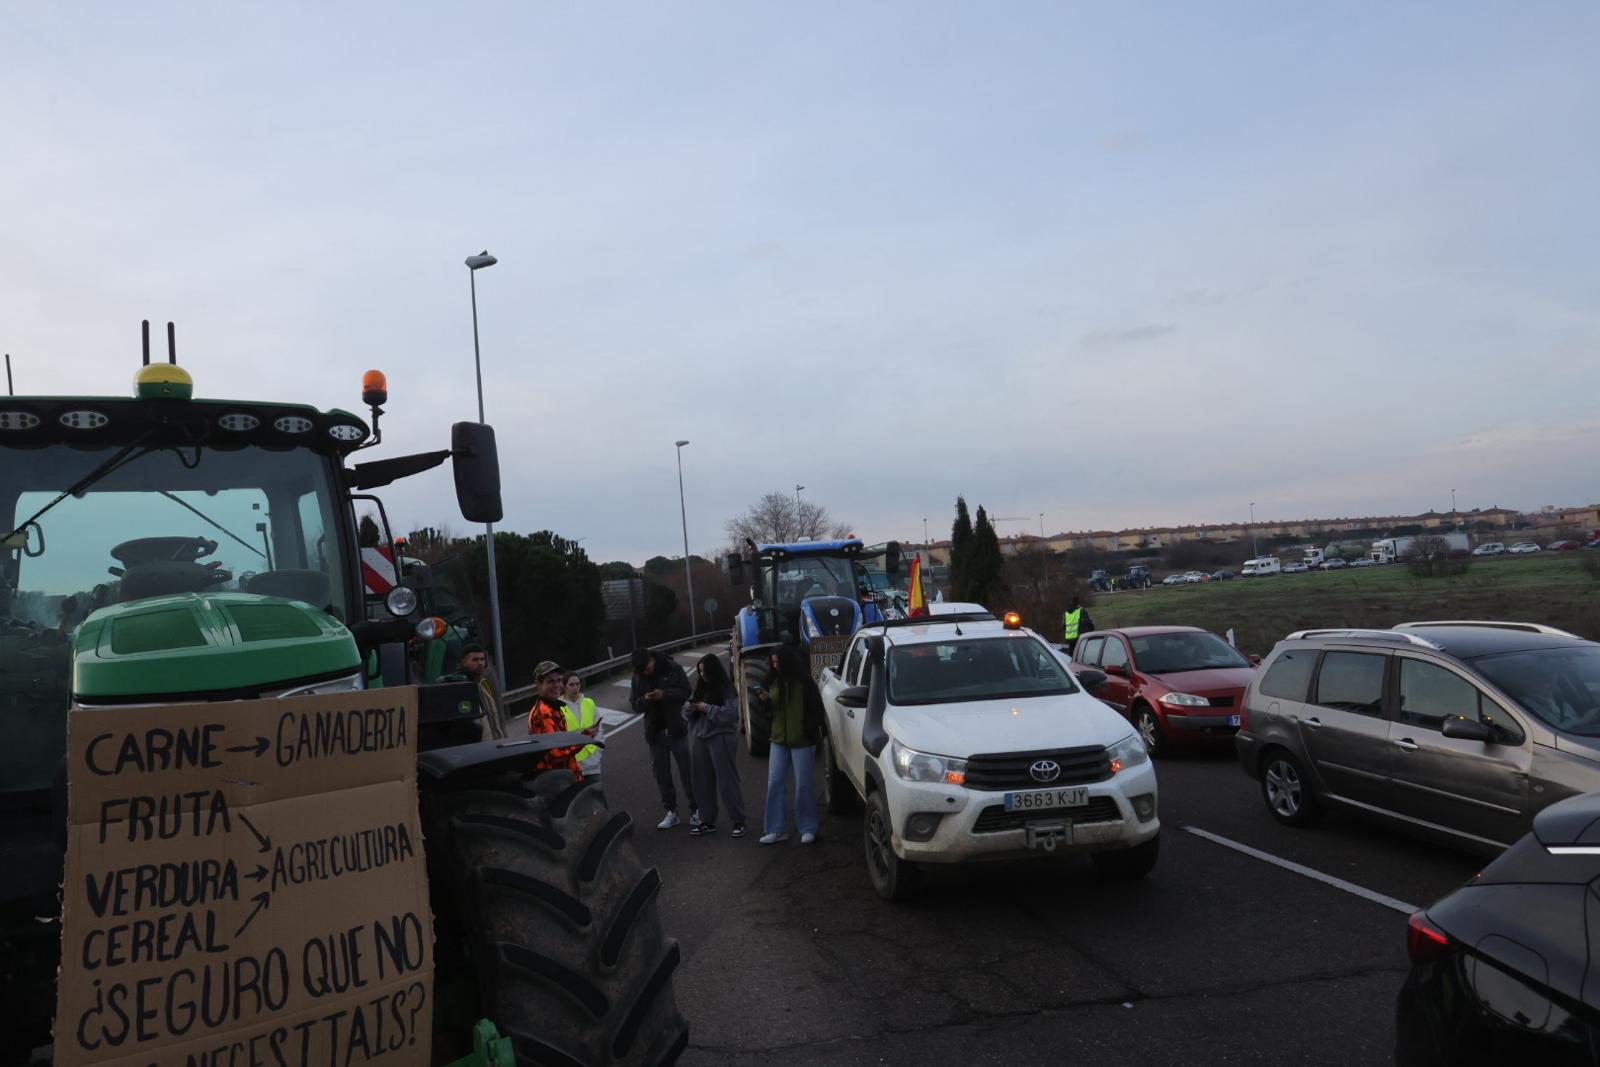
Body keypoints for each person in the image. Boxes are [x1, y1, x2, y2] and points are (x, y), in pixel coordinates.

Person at [755, 645, 825, 845]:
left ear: (786, 662)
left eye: (778, 662)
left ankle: (808, 827)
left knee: (804, 785)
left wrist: (808, 729)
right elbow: (767, 713)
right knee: (775, 783)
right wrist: (764, 702)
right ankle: (775, 830)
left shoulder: (804, 682)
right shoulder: (770, 681)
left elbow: (816, 710)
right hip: (778, 739)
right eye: (773, 662)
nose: (775, 666)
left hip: (802, 740)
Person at [630, 648, 699, 829]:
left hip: (676, 728)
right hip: (655, 732)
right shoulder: (637, 677)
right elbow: (634, 705)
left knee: (687, 771)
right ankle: (671, 812)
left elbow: (686, 690)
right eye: (642, 670)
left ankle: (696, 810)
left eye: (647, 667)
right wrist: (645, 700)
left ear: (652, 659)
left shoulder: (672, 667)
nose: (647, 672)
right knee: (662, 774)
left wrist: (664, 694)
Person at [683, 654, 746, 837]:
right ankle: (707, 820)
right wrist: (690, 707)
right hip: (700, 738)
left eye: (705, 671)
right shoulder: (699, 689)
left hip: (721, 737)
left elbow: (731, 714)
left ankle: (738, 820)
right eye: (700, 671)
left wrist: (707, 708)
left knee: (727, 781)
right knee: (701, 782)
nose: (702, 675)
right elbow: (685, 714)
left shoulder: (726, 689)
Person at [526, 661, 583, 776]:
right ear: (538, 684)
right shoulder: (542, 712)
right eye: (551, 681)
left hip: (564, 775)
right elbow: (555, 754)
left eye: (559, 680)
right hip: (556, 781)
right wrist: (585, 739)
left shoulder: (554, 706)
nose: (557, 685)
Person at [562, 671, 604, 791]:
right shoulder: (558, 708)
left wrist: (598, 752)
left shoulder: (589, 703)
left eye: (577, 684)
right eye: (571, 684)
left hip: (593, 763)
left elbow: (599, 729)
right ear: (564, 686)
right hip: (573, 766)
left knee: (597, 800)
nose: (575, 687)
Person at [457, 642, 506, 740]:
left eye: (482, 659)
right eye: (475, 659)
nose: (480, 663)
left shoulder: (480, 686)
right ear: (464, 662)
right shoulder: (461, 687)